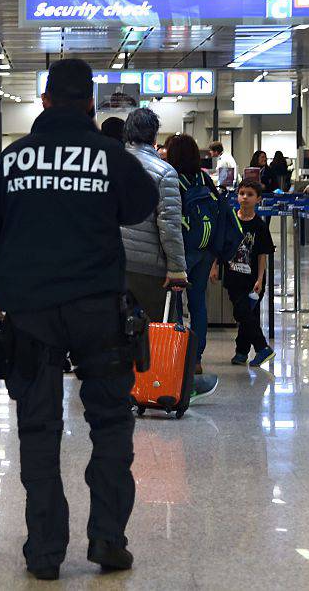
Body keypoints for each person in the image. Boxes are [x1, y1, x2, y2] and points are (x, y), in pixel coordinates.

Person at [0, 59, 159, 579]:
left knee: (39, 430)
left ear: (44, 101)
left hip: (32, 312)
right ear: (90, 103)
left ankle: (45, 553)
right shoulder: (108, 155)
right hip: (98, 310)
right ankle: (108, 539)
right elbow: (142, 204)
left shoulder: (14, 160)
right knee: (110, 423)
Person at [123, 111, 219, 400]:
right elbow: (169, 225)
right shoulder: (164, 172)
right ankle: (180, 385)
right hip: (148, 266)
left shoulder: (107, 166)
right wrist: (177, 269)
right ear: (154, 137)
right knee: (167, 325)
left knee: (119, 327)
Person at [166, 134, 216, 373]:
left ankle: (177, 354)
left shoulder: (171, 178)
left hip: (182, 249)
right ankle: (196, 358)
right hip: (205, 249)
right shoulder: (204, 178)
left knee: (175, 304)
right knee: (198, 304)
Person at [211, 181, 275, 367]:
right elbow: (219, 246)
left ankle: (245, 352)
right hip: (233, 277)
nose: (245, 197)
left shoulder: (260, 226)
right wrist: (214, 266)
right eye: (242, 193)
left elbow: (263, 254)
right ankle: (256, 349)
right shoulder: (230, 221)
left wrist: (261, 279)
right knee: (243, 313)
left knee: (247, 315)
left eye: (250, 194)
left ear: (258, 199)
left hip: (253, 279)